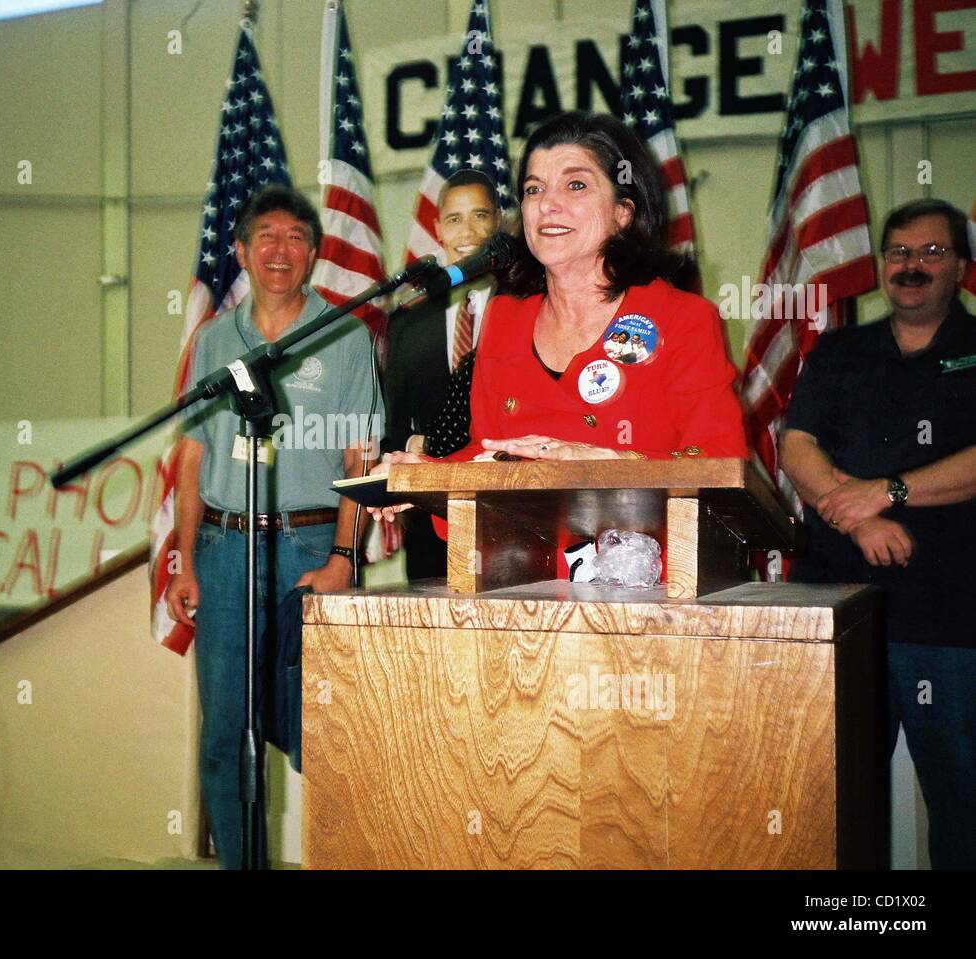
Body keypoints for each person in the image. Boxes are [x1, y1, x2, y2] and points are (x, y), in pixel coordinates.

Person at [371, 111, 746, 540]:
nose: (548, 204)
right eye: (534, 189)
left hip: (647, 581)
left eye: (576, 185)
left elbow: (722, 464)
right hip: (523, 581)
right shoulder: (504, 319)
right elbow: (490, 457)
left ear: (623, 212)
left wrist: (606, 464)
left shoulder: (682, 319)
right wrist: (428, 476)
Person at [165, 184, 382, 869]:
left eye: (295, 237)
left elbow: (359, 456)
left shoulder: (344, 335)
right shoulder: (213, 342)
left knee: (325, 730)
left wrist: (346, 556)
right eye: (265, 235)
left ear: (314, 252)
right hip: (225, 550)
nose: (279, 249)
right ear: (240, 251)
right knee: (226, 733)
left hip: (310, 547)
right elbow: (194, 453)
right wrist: (189, 561)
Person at [780, 198, 976, 869]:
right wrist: (855, 511)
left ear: (962, 266)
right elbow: (796, 444)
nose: (911, 266)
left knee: (964, 808)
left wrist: (886, 491)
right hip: (838, 612)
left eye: (931, 252)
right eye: (898, 253)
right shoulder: (839, 351)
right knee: (836, 806)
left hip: (950, 622)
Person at [381, 168, 502, 580]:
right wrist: (413, 446)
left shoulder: (528, 305)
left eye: (480, 215)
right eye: (454, 218)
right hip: (430, 515)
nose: (467, 230)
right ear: (437, 228)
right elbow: (394, 422)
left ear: (499, 222)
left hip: (508, 504)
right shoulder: (409, 319)